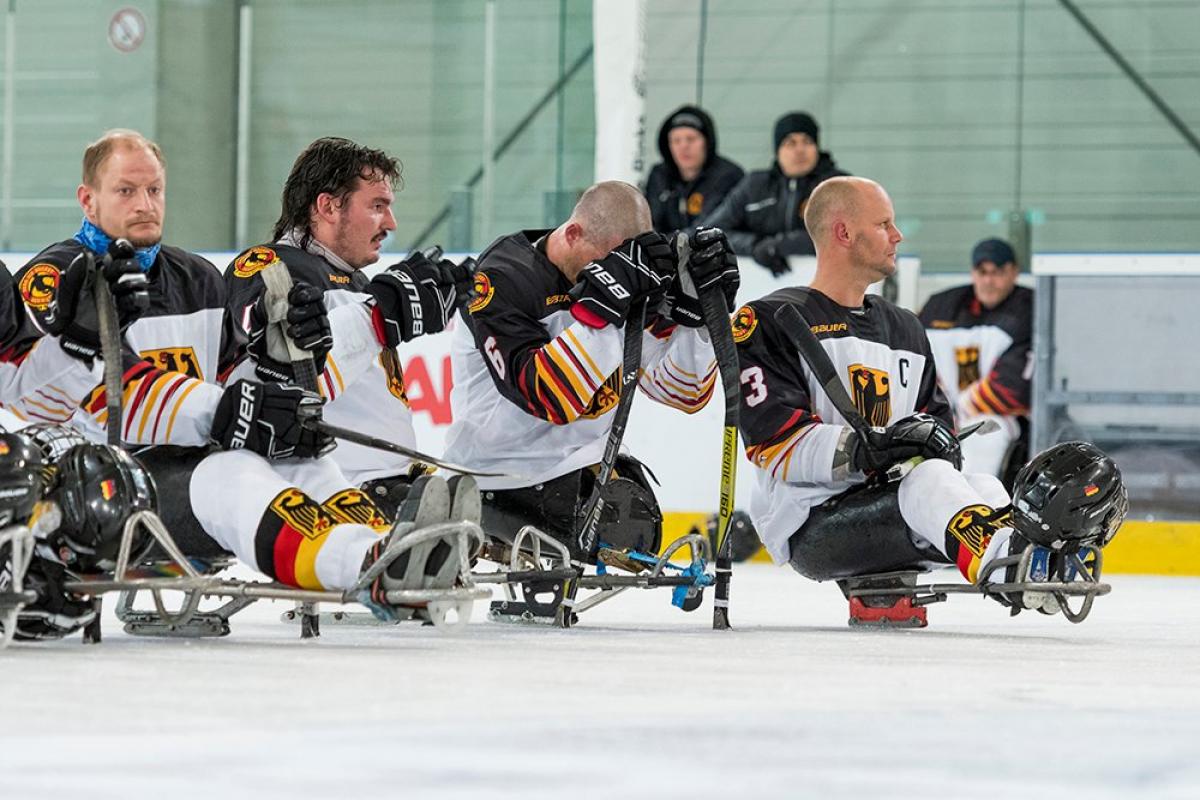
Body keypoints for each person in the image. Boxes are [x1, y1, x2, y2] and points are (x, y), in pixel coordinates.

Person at [6, 130, 472, 637]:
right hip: (105, 489)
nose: (145, 204)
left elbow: (236, 377)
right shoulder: (57, 277)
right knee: (227, 473)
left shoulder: (199, 276)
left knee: (301, 455)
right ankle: (366, 569)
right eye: (125, 191)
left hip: (190, 464)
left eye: (155, 190)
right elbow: (98, 396)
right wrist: (231, 412)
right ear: (88, 198)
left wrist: (284, 397)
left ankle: (391, 547)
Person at [731, 176, 1126, 620]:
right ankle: (1010, 565)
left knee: (983, 485)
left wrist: (929, 443)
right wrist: (873, 449)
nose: (897, 235)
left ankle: (1036, 552)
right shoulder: (771, 318)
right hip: (811, 524)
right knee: (929, 480)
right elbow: (774, 444)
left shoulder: (904, 327)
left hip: (889, 506)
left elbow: (937, 428)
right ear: (844, 233)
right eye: (884, 224)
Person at [443, 181, 738, 561]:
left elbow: (684, 392)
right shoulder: (503, 277)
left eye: (617, 264)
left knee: (634, 522)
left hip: (587, 468)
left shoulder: (631, 277)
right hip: (498, 473)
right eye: (605, 260)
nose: (607, 272)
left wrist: (696, 320)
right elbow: (548, 396)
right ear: (572, 233)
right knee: (610, 518)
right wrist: (607, 308)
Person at [224, 136, 474, 515]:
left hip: (388, 485)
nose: (390, 223)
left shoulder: (357, 282)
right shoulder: (269, 264)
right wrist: (380, 313)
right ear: (327, 206)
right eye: (377, 206)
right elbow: (274, 365)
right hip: (329, 495)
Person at [919, 238, 1032, 484]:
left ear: (1014, 272)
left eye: (998, 272)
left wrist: (962, 411)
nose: (989, 280)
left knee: (984, 437)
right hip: (946, 414)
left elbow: (1013, 384)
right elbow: (917, 361)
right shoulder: (940, 307)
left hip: (1001, 418)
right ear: (973, 273)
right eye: (982, 272)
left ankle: (976, 507)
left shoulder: (1029, 308)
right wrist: (941, 410)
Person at [699, 111, 847, 276]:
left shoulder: (837, 185)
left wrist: (780, 246)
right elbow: (710, 233)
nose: (800, 150)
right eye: (790, 143)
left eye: (807, 142)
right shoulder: (754, 185)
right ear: (777, 150)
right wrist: (755, 245)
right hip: (761, 290)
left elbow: (843, 235)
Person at [642, 105, 743, 234]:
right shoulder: (659, 175)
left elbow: (711, 226)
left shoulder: (729, 176)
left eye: (691, 139)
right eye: (676, 141)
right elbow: (649, 223)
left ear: (706, 142)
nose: (684, 146)